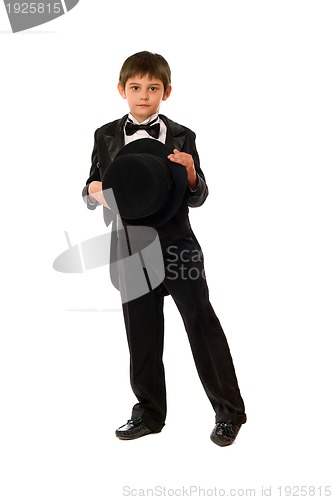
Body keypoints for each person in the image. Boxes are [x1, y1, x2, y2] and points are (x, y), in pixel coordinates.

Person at [82, 51, 246, 446]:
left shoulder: (182, 135)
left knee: (201, 324)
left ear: (166, 92)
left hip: (177, 246)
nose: (143, 95)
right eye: (135, 87)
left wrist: (190, 171)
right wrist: (93, 193)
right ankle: (150, 413)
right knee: (141, 334)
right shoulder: (104, 134)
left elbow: (198, 194)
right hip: (130, 247)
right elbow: (90, 185)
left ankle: (229, 412)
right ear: (122, 90)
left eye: (152, 88)